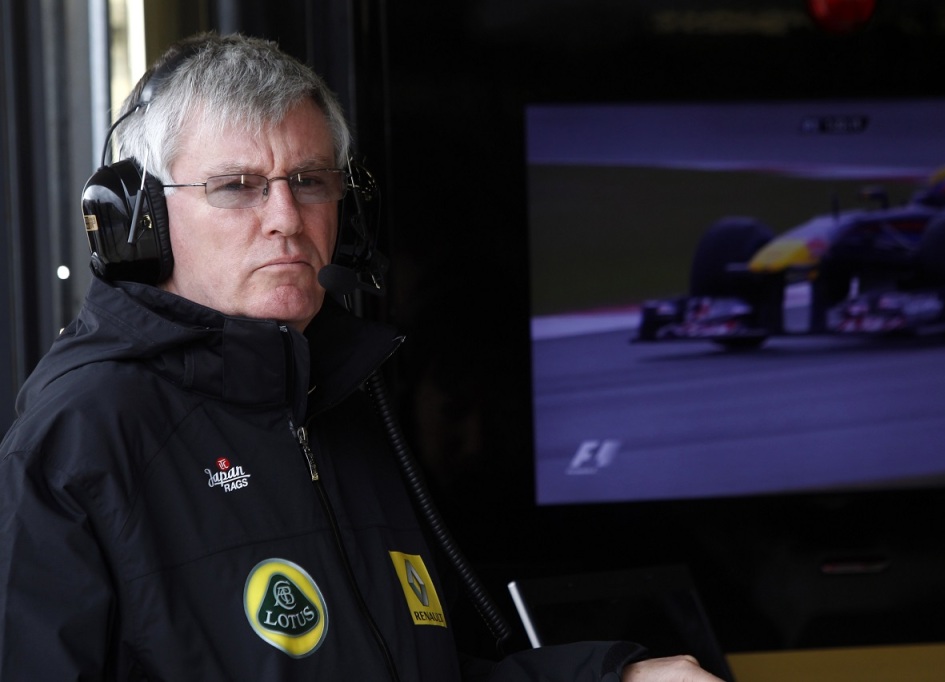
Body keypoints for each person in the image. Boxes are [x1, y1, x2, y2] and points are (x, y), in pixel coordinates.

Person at [0, 32, 724, 681]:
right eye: (236, 187)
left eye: (309, 181)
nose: (286, 219)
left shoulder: (337, 400)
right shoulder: (81, 436)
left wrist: (616, 678)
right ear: (142, 221)